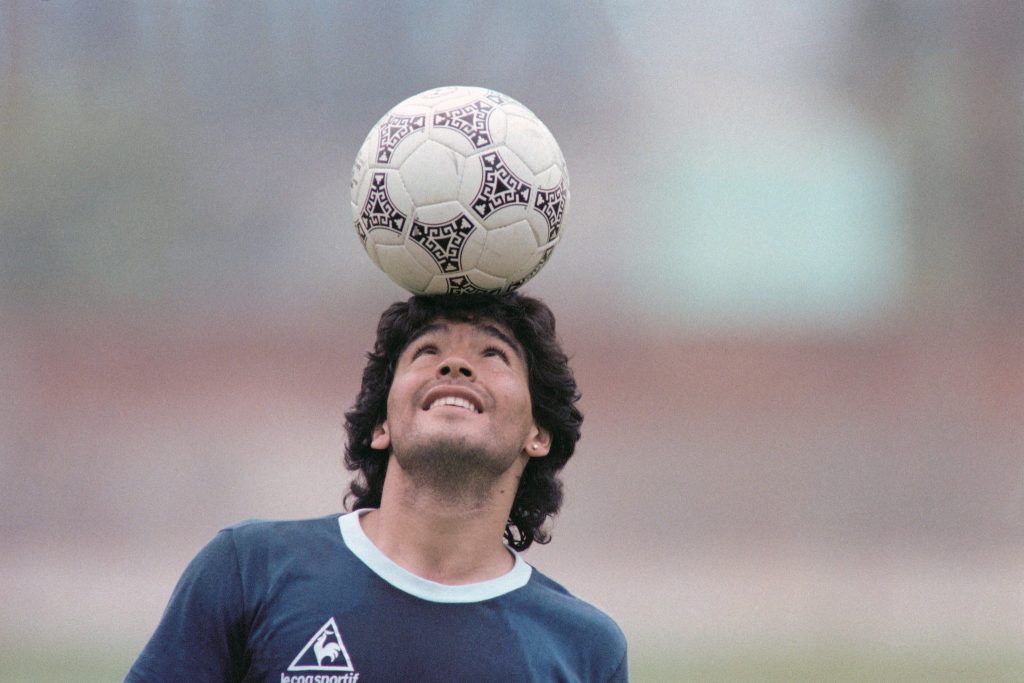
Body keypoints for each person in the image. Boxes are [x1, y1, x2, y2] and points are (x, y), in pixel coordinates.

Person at [126, 292, 628, 682]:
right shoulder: (249, 570)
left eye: (493, 353)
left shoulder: (585, 648)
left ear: (538, 434)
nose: (454, 365)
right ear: (380, 425)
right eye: (427, 351)